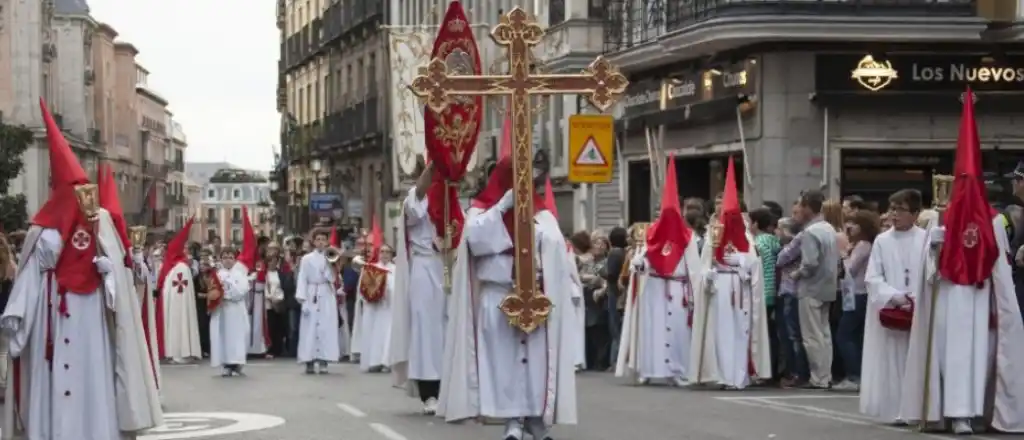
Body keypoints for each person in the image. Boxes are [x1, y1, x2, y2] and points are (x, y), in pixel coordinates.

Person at [1, 101, 161, 438]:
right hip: (52, 315)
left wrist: (109, 274)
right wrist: (17, 315)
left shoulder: (100, 221)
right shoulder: (40, 230)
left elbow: (119, 282)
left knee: (93, 380)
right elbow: (29, 277)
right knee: (53, 383)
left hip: (92, 319)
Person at [440, 147, 577, 440]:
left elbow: (554, 251)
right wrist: (503, 207)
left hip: (537, 299)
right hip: (498, 297)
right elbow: (476, 241)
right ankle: (512, 420)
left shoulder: (544, 216)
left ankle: (536, 420)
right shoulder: (481, 212)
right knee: (506, 364)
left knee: (537, 364)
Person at [616, 157, 701, 386]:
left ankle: (678, 369)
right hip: (653, 288)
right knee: (651, 330)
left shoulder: (689, 236)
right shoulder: (651, 232)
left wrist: (693, 295)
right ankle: (648, 367)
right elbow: (642, 258)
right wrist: (639, 264)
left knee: (678, 331)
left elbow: (693, 267)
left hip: (677, 286)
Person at [690, 157, 771, 390]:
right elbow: (704, 264)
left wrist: (742, 261)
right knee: (721, 333)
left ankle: (740, 375)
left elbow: (755, 267)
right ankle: (723, 374)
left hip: (740, 290)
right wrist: (708, 276)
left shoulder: (746, 238)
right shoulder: (712, 236)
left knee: (740, 333)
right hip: (719, 290)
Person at [860, 189, 927, 423]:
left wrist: (916, 299)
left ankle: (917, 408)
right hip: (893, 306)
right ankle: (895, 408)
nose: (894, 215)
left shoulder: (926, 239)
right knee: (892, 358)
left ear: (916, 213)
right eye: (892, 209)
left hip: (919, 307)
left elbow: (931, 274)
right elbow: (873, 277)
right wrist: (897, 297)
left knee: (916, 358)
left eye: (901, 209)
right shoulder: (882, 240)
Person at [390, 161, 448, 415]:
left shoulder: (451, 202)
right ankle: (429, 392)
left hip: (447, 268)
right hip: (424, 268)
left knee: (448, 329)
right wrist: (438, 158)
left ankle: (449, 387)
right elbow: (422, 190)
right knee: (427, 331)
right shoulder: (413, 202)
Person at [791, 190, 839, 390]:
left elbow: (810, 263)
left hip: (811, 288)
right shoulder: (829, 228)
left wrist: (797, 274)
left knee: (811, 336)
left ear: (809, 208)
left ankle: (818, 377)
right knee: (824, 334)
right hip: (828, 286)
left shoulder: (810, 232)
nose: (799, 210)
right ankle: (825, 375)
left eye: (802, 206)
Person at [833, 209, 879, 392]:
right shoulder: (862, 244)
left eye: (855, 223)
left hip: (859, 294)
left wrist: (844, 254)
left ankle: (854, 375)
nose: (850, 227)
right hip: (855, 294)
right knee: (854, 335)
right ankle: (857, 374)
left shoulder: (863, 245)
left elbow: (850, 269)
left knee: (844, 335)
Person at [209, 207, 257, 377]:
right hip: (222, 310)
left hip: (236, 309)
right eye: (225, 257)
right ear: (221, 259)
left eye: (230, 257)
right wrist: (216, 296)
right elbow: (212, 290)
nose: (228, 259)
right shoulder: (218, 274)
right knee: (223, 337)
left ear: (234, 259)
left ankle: (237, 363)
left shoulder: (240, 272)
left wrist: (228, 290)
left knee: (237, 336)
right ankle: (226, 363)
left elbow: (242, 290)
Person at [295, 227, 342, 374]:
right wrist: (302, 299)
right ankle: (308, 359)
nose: (321, 242)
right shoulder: (306, 259)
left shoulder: (330, 257)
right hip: (311, 293)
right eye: (318, 240)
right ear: (313, 242)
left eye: (323, 239)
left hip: (326, 293)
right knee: (309, 328)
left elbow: (333, 278)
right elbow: (302, 278)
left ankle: (324, 359)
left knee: (325, 327)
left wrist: (331, 265)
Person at [158, 218, 203, 363]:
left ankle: (183, 351)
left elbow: (180, 288)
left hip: (179, 305)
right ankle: (172, 351)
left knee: (181, 322)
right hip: (169, 305)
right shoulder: (167, 265)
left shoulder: (182, 267)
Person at [352, 243, 394, 372]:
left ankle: (386, 362)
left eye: (387, 252)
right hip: (375, 308)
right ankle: (374, 361)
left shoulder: (396, 269)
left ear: (392, 255)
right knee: (375, 334)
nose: (385, 254)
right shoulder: (371, 269)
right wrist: (372, 294)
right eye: (382, 251)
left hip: (389, 308)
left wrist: (388, 291)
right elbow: (363, 289)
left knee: (388, 335)